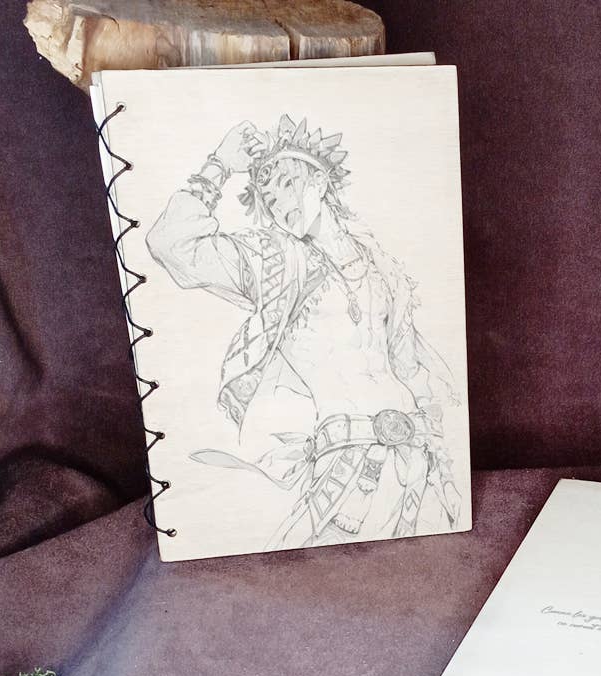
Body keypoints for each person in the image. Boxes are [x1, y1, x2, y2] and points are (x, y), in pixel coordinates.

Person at [146, 115, 462, 549]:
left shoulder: (380, 266)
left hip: (423, 470)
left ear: (320, 179)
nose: (279, 204)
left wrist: (445, 460)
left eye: (288, 184)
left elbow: (412, 369)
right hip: (349, 474)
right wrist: (219, 164)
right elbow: (171, 243)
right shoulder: (274, 260)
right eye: (269, 199)